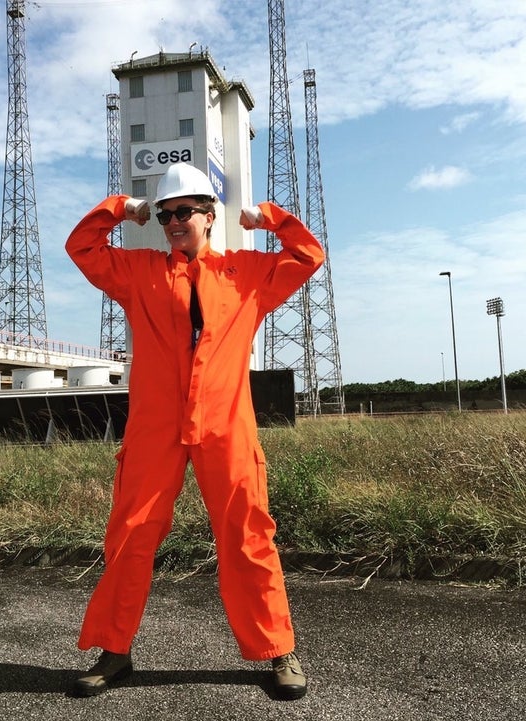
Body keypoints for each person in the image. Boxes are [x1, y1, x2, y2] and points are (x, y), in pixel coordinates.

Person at [65, 162, 324, 700]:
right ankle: (114, 653)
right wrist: (121, 207)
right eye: (165, 214)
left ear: (209, 216)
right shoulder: (139, 273)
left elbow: (309, 256)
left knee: (249, 536)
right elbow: (82, 248)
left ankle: (278, 650)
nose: (174, 221)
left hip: (226, 426)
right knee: (131, 535)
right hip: (155, 428)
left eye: (184, 211)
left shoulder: (247, 273)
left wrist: (269, 218)